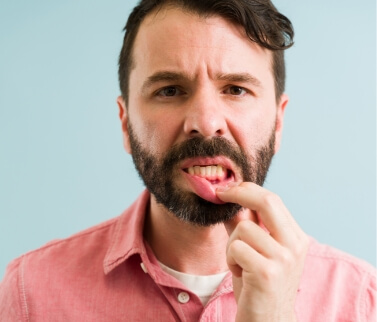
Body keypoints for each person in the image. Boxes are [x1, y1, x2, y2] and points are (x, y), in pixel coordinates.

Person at [0, 0, 375, 320]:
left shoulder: (361, 301)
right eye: (170, 90)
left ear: (278, 123)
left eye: (236, 89)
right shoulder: (27, 294)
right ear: (126, 123)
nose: (205, 123)